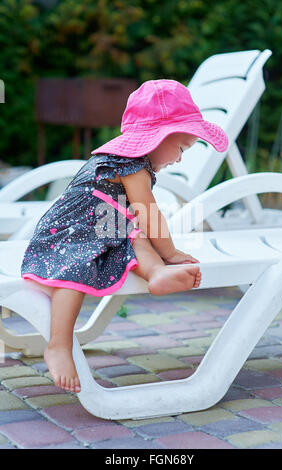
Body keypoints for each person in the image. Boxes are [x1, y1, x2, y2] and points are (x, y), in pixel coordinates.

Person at [21, 79, 229, 394]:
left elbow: (133, 219)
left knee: (135, 235)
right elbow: (148, 210)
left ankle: (156, 274)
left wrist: (158, 253)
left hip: (107, 226)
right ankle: (59, 345)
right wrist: (171, 252)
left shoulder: (137, 165)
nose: (180, 159)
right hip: (69, 233)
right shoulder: (129, 164)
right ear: (160, 136)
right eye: (182, 148)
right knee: (75, 270)